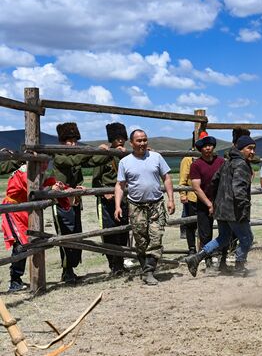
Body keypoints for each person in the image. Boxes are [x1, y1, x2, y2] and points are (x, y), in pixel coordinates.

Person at [185, 136, 256, 277]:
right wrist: (243, 208)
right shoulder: (241, 164)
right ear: (241, 149)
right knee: (247, 238)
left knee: (223, 238)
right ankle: (239, 267)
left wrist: (218, 201)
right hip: (234, 209)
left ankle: (196, 258)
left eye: (254, 148)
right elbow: (239, 189)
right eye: (249, 148)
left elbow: (214, 181)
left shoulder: (226, 163)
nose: (252, 151)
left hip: (221, 208)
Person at [114, 129, 175, 285]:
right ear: (131, 143)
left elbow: (166, 178)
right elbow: (120, 185)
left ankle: (148, 272)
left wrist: (171, 199)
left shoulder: (156, 157)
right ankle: (146, 269)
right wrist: (117, 206)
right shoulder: (125, 162)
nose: (142, 143)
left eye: (144, 140)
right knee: (141, 241)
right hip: (136, 206)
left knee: (156, 237)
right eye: (139, 140)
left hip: (156, 204)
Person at [52, 122, 111, 283]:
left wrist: (107, 153)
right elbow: (75, 161)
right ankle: (67, 270)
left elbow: (93, 161)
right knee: (65, 234)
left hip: (75, 201)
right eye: (68, 141)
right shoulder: (58, 155)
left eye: (74, 140)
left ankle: (71, 269)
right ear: (62, 142)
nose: (72, 144)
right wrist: (93, 150)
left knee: (76, 233)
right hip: (61, 202)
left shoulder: (76, 155)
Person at [2, 162, 56, 291]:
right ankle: (14, 280)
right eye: (43, 163)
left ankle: (17, 279)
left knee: (25, 243)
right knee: (20, 245)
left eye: (46, 162)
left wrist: (54, 184)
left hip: (22, 210)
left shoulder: (33, 171)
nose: (45, 165)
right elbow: (34, 192)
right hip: (14, 209)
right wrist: (51, 188)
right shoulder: (25, 172)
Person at [92, 122, 130, 276]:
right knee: (109, 232)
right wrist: (103, 193)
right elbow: (95, 180)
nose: (120, 141)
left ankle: (120, 264)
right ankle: (113, 264)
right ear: (111, 139)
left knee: (123, 231)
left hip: (124, 199)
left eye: (122, 138)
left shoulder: (127, 156)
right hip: (107, 201)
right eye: (117, 138)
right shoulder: (104, 156)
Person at [189, 131, 224, 269]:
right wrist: (209, 204)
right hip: (204, 203)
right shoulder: (196, 165)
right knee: (205, 233)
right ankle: (207, 260)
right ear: (200, 149)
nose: (208, 148)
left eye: (210, 145)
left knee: (224, 231)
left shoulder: (221, 162)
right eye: (204, 146)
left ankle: (223, 258)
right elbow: (196, 188)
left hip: (221, 202)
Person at [179, 133, 198, 254]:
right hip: (192, 197)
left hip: (205, 197)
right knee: (191, 224)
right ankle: (192, 248)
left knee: (205, 225)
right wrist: (182, 194)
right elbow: (183, 178)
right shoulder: (188, 159)